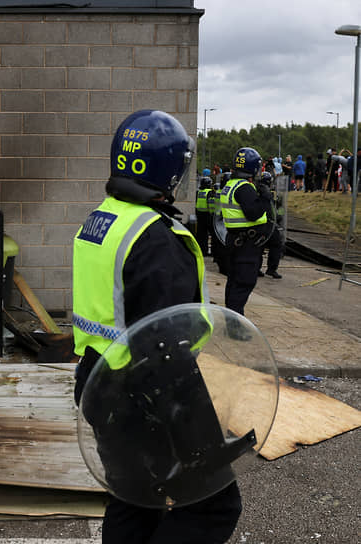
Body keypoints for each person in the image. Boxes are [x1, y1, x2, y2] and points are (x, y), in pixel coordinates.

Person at [73, 109, 242, 544]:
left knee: (134, 499)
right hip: (149, 391)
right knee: (213, 506)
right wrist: (185, 418)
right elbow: (166, 338)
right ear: (168, 170)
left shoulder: (102, 219)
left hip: (98, 380)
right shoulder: (157, 237)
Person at [220, 147, 274, 319]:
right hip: (246, 246)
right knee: (243, 282)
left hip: (236, 241)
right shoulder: (244, 188)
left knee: (234, 281)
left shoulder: (231, 184)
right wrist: (265, 197)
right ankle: (236, 324)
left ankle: (232, 318)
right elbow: (254, 213)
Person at [256, 172, 284, 279]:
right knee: (276, 244)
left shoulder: (255, 189)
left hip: (259, 223)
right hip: (268, 224)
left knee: (260, 246)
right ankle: (271, 269)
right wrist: (278, 217)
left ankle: (257, 268)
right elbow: (271, 208)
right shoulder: (266, 192)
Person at [195, 172, 215, 256]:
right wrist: (213, 213)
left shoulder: (199, 192)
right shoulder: (209, 192)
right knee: (213, 234)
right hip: (208, 215)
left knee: (201, 235)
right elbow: (210, 204)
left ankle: (202, 251)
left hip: (199, 215)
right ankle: (213, 252)